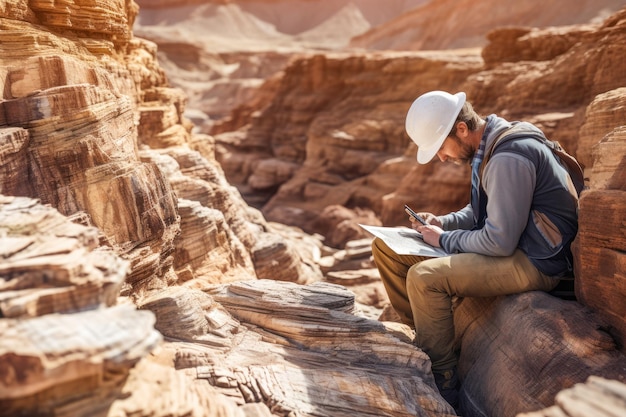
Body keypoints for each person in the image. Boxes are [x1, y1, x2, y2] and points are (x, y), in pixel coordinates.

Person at [371, 91, 579, 408]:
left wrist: (441, 240)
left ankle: (442, 380)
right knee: (386, 249)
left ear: (462, 129)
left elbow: (498, 241)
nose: (441, 157)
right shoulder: (488, 147)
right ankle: (430, 338)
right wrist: (443, 222)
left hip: (537, 261)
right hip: (517, 246)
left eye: (441, 147)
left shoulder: (507, 156)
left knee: (424, 278)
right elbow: (478, 212)